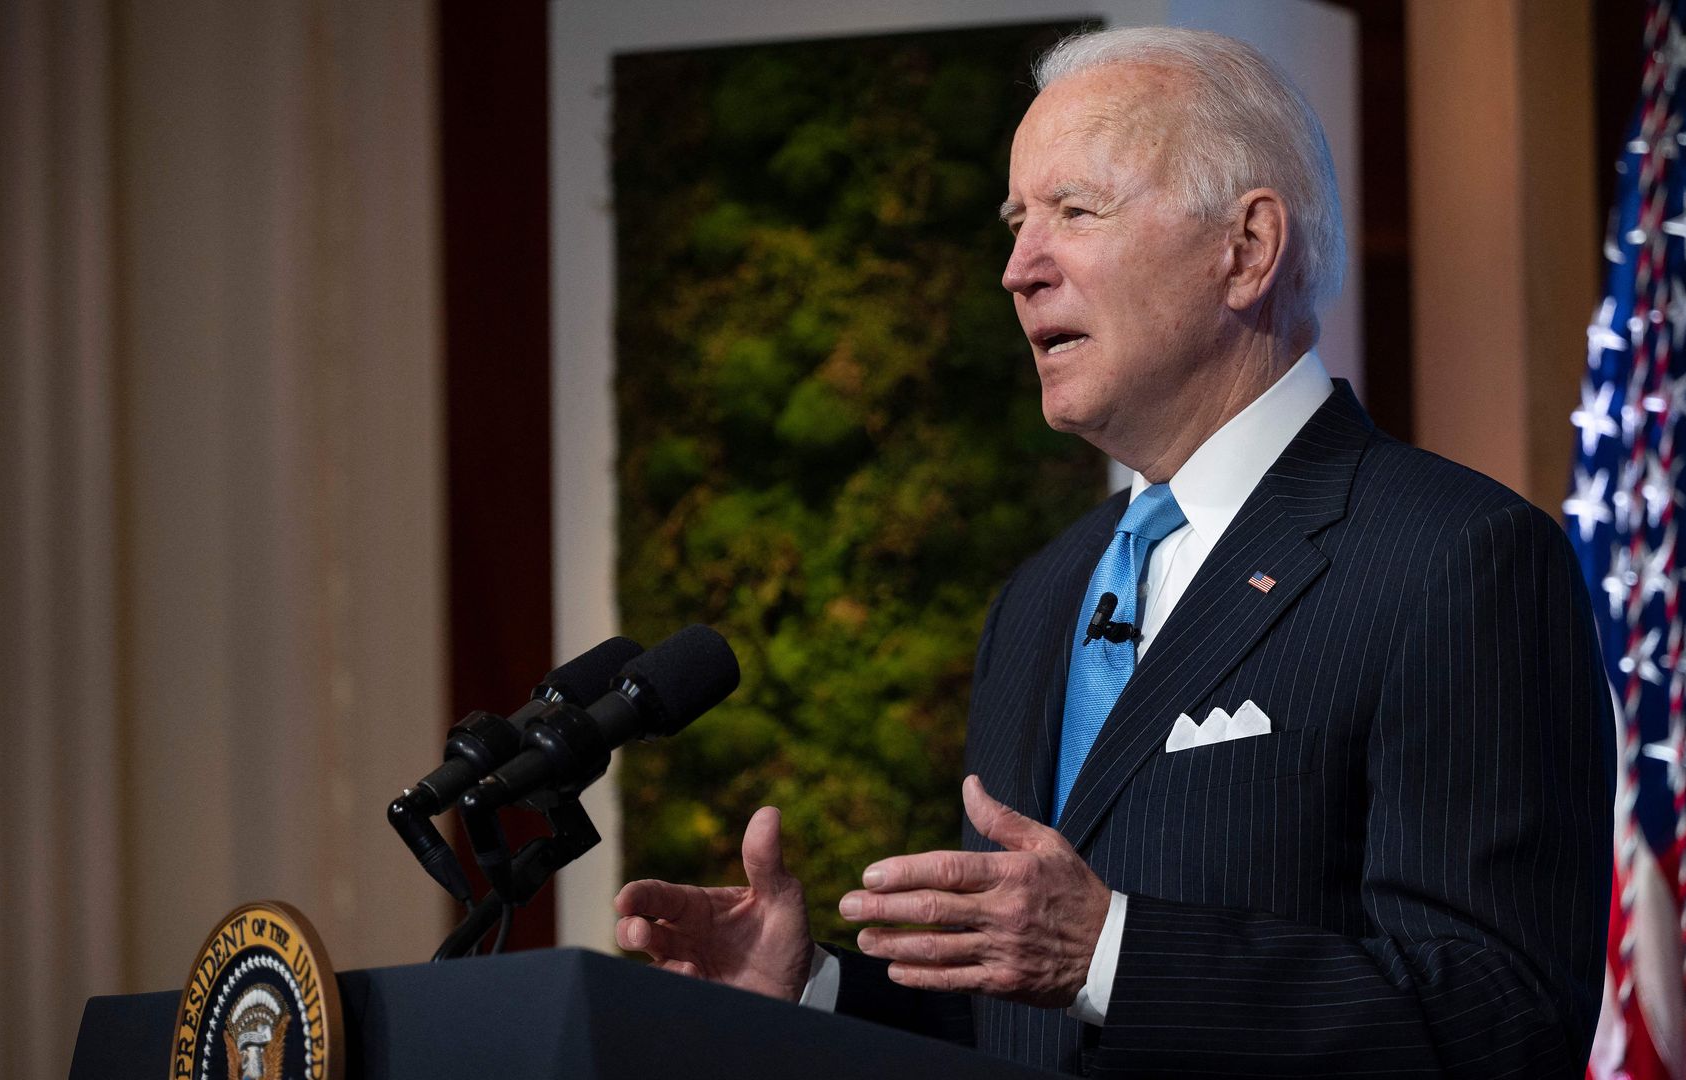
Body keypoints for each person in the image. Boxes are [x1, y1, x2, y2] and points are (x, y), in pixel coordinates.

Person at [614, 26, 1613, 1077]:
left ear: (1247, 249)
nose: (1017, 270)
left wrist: (1114, 953)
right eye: (1015, 223)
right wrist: (807, 992)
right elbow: (1026, 1018)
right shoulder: (1042, 597)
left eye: (1075, 213)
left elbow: (1505, 1016)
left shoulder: (1454, 558)